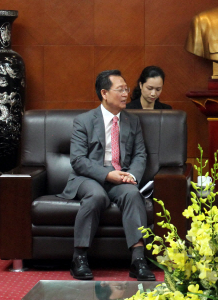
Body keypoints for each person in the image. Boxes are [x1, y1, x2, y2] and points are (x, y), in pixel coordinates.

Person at [57, 70, 155, 281]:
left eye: (126, 89)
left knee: (132, 194)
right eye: (120, 89)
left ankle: (138, 260)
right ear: (104, 93)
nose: (125, 94)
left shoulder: (132, 121)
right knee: (96, 196)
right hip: (88, 178)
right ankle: (79, 258)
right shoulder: (83, 121)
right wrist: (108, 174)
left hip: (121, 177)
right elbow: (78, 160)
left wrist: (131, 176)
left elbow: (140, 154)